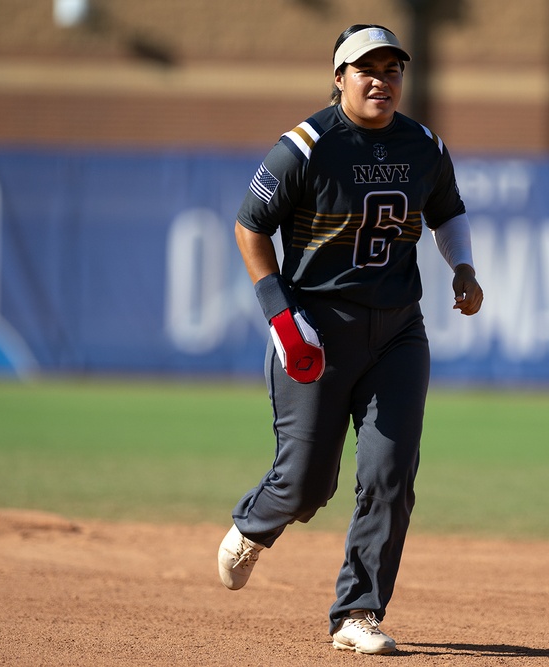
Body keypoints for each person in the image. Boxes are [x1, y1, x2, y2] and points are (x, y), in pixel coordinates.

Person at [217, 23, 483, 655]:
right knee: (307, 483)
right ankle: (255, 524)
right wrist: (281, 317)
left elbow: (446, 210)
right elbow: (250, 227)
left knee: (390, 472)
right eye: (366, 69)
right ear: (339, 78)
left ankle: (357, 612)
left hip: (398, 331)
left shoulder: (423, 145)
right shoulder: (305, 147)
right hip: (317, 327)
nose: (381, 80)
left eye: (392, 70)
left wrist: (463, 268)